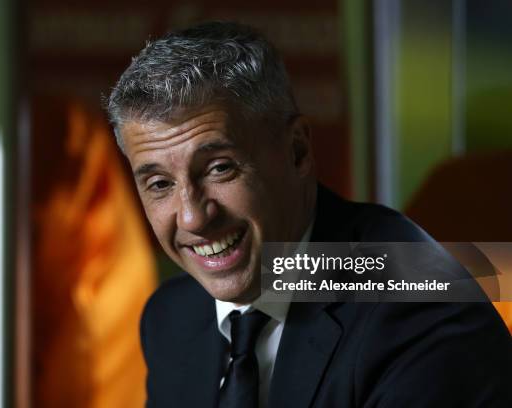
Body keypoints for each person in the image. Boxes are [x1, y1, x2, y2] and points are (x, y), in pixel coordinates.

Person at [106, 21, 512, 407]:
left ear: (297, 151)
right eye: (159, 184)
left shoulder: (419, 312)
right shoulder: (172, 320)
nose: (193, 218)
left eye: (219, 168)